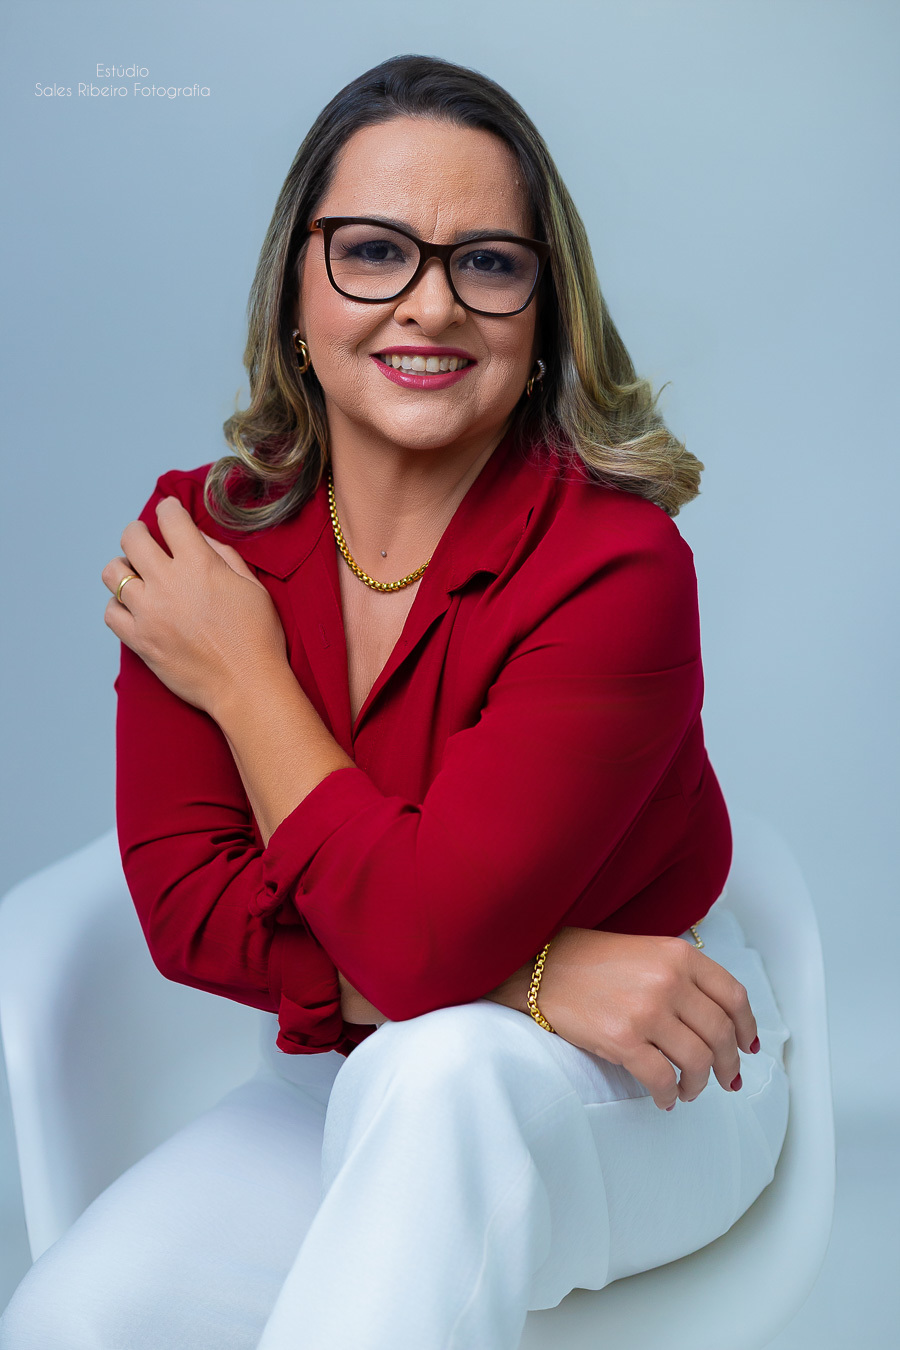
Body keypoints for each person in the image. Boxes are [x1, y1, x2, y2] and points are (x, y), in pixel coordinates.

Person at [0, 52, 790, 1350]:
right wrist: (538, 973)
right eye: (374, 251)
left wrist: (243, 676)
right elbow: (190, 910)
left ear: (543, 312)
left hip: (652, 1074)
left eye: (488, 262)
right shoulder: (204, 539)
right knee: (73, 1318)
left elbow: (426, 948)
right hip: (352, 1067)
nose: (431, 305)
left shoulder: (617, 565)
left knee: (445, 1069)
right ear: (294, 292)